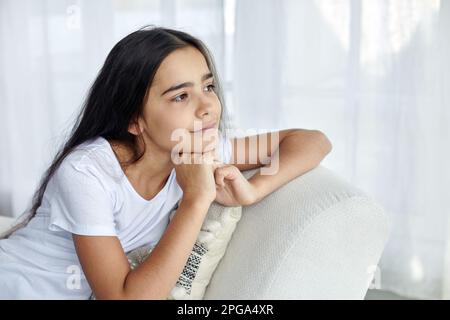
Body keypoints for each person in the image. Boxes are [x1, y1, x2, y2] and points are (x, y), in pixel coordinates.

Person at [0, 26, 332, 300]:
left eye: (208, 86)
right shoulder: (86, 173)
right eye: (181, 96)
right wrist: (196, 197)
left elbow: (313, 141)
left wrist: (254, 190)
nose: (207, 107)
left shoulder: (202, 147)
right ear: (134, 120)